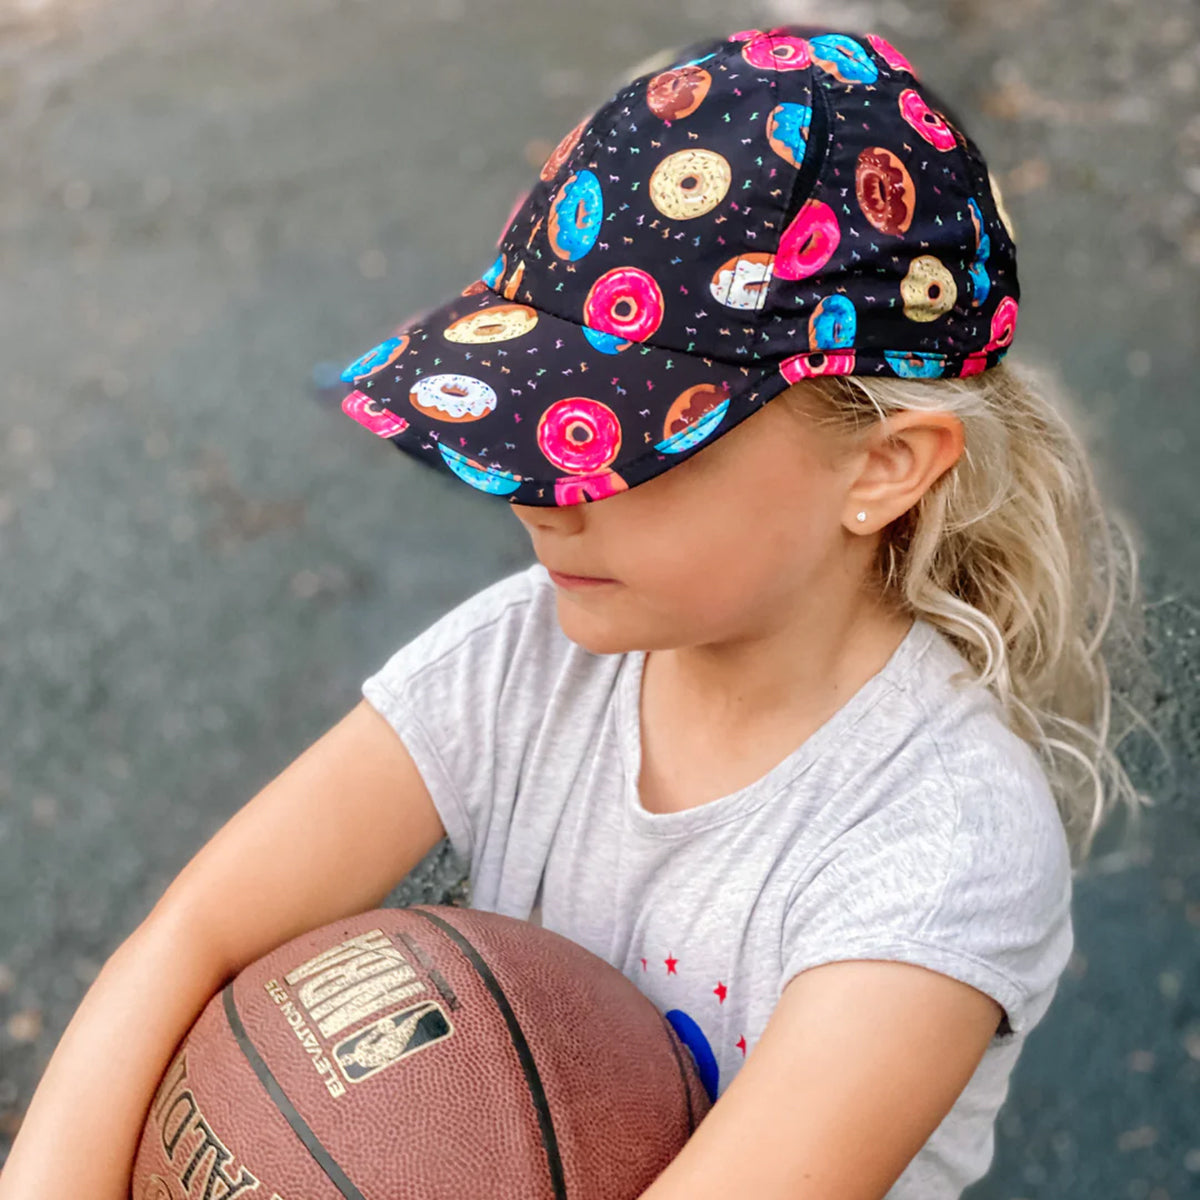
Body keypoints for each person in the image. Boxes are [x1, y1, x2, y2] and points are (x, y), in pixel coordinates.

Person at [0, 22, 1151, 1200]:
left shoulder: (943, 844)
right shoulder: (526, 657)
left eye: (628, 446)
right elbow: (193, 938)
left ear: (883, 466)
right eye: (538, 419)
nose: (545, 498)